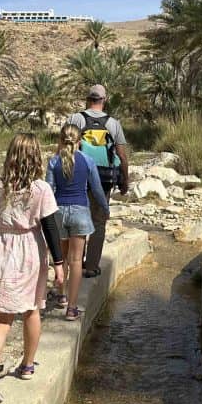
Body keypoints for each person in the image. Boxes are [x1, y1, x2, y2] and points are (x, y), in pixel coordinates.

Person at [0, 133, 64, 404]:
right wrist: (59, 264)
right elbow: (50, 227)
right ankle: (27, 365)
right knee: (31, 309)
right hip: (29, 250)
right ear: (36, 157)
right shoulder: (40, 190)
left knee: (2, 318)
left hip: (3, 248)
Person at [46, 123, 111, 320]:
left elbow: (48, 190)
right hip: (81, 213)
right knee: (76, 261)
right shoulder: (88, 161)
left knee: (61, 258)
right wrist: (105, 208)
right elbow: (97, 190)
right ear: (80, 141)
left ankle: (61, 295)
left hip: (58, 212)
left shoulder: (53, 161)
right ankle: (72, 308)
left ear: (60, 140)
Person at [67, 84, 129, 277]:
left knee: (77, 222)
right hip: (104, 180)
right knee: (99, 222)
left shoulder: (75, 119)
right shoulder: (113, 123)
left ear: (88, 99)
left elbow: (64, 149)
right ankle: (92, 266)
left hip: (77, 178)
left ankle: (74, 265)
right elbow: (122, 155)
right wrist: (125, 180)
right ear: (104, 100)